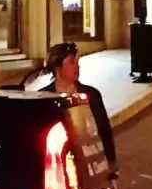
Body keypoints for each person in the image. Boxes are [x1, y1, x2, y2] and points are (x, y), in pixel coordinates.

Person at [44, 41, 116, 172]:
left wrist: (111, 161)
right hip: (59, 167)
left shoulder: (91, 95)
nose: (77, 67)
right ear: (57, 68)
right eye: (72, 62)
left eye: (78, 62)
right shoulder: (44, 97)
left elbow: (104, 130)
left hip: (91, 162)